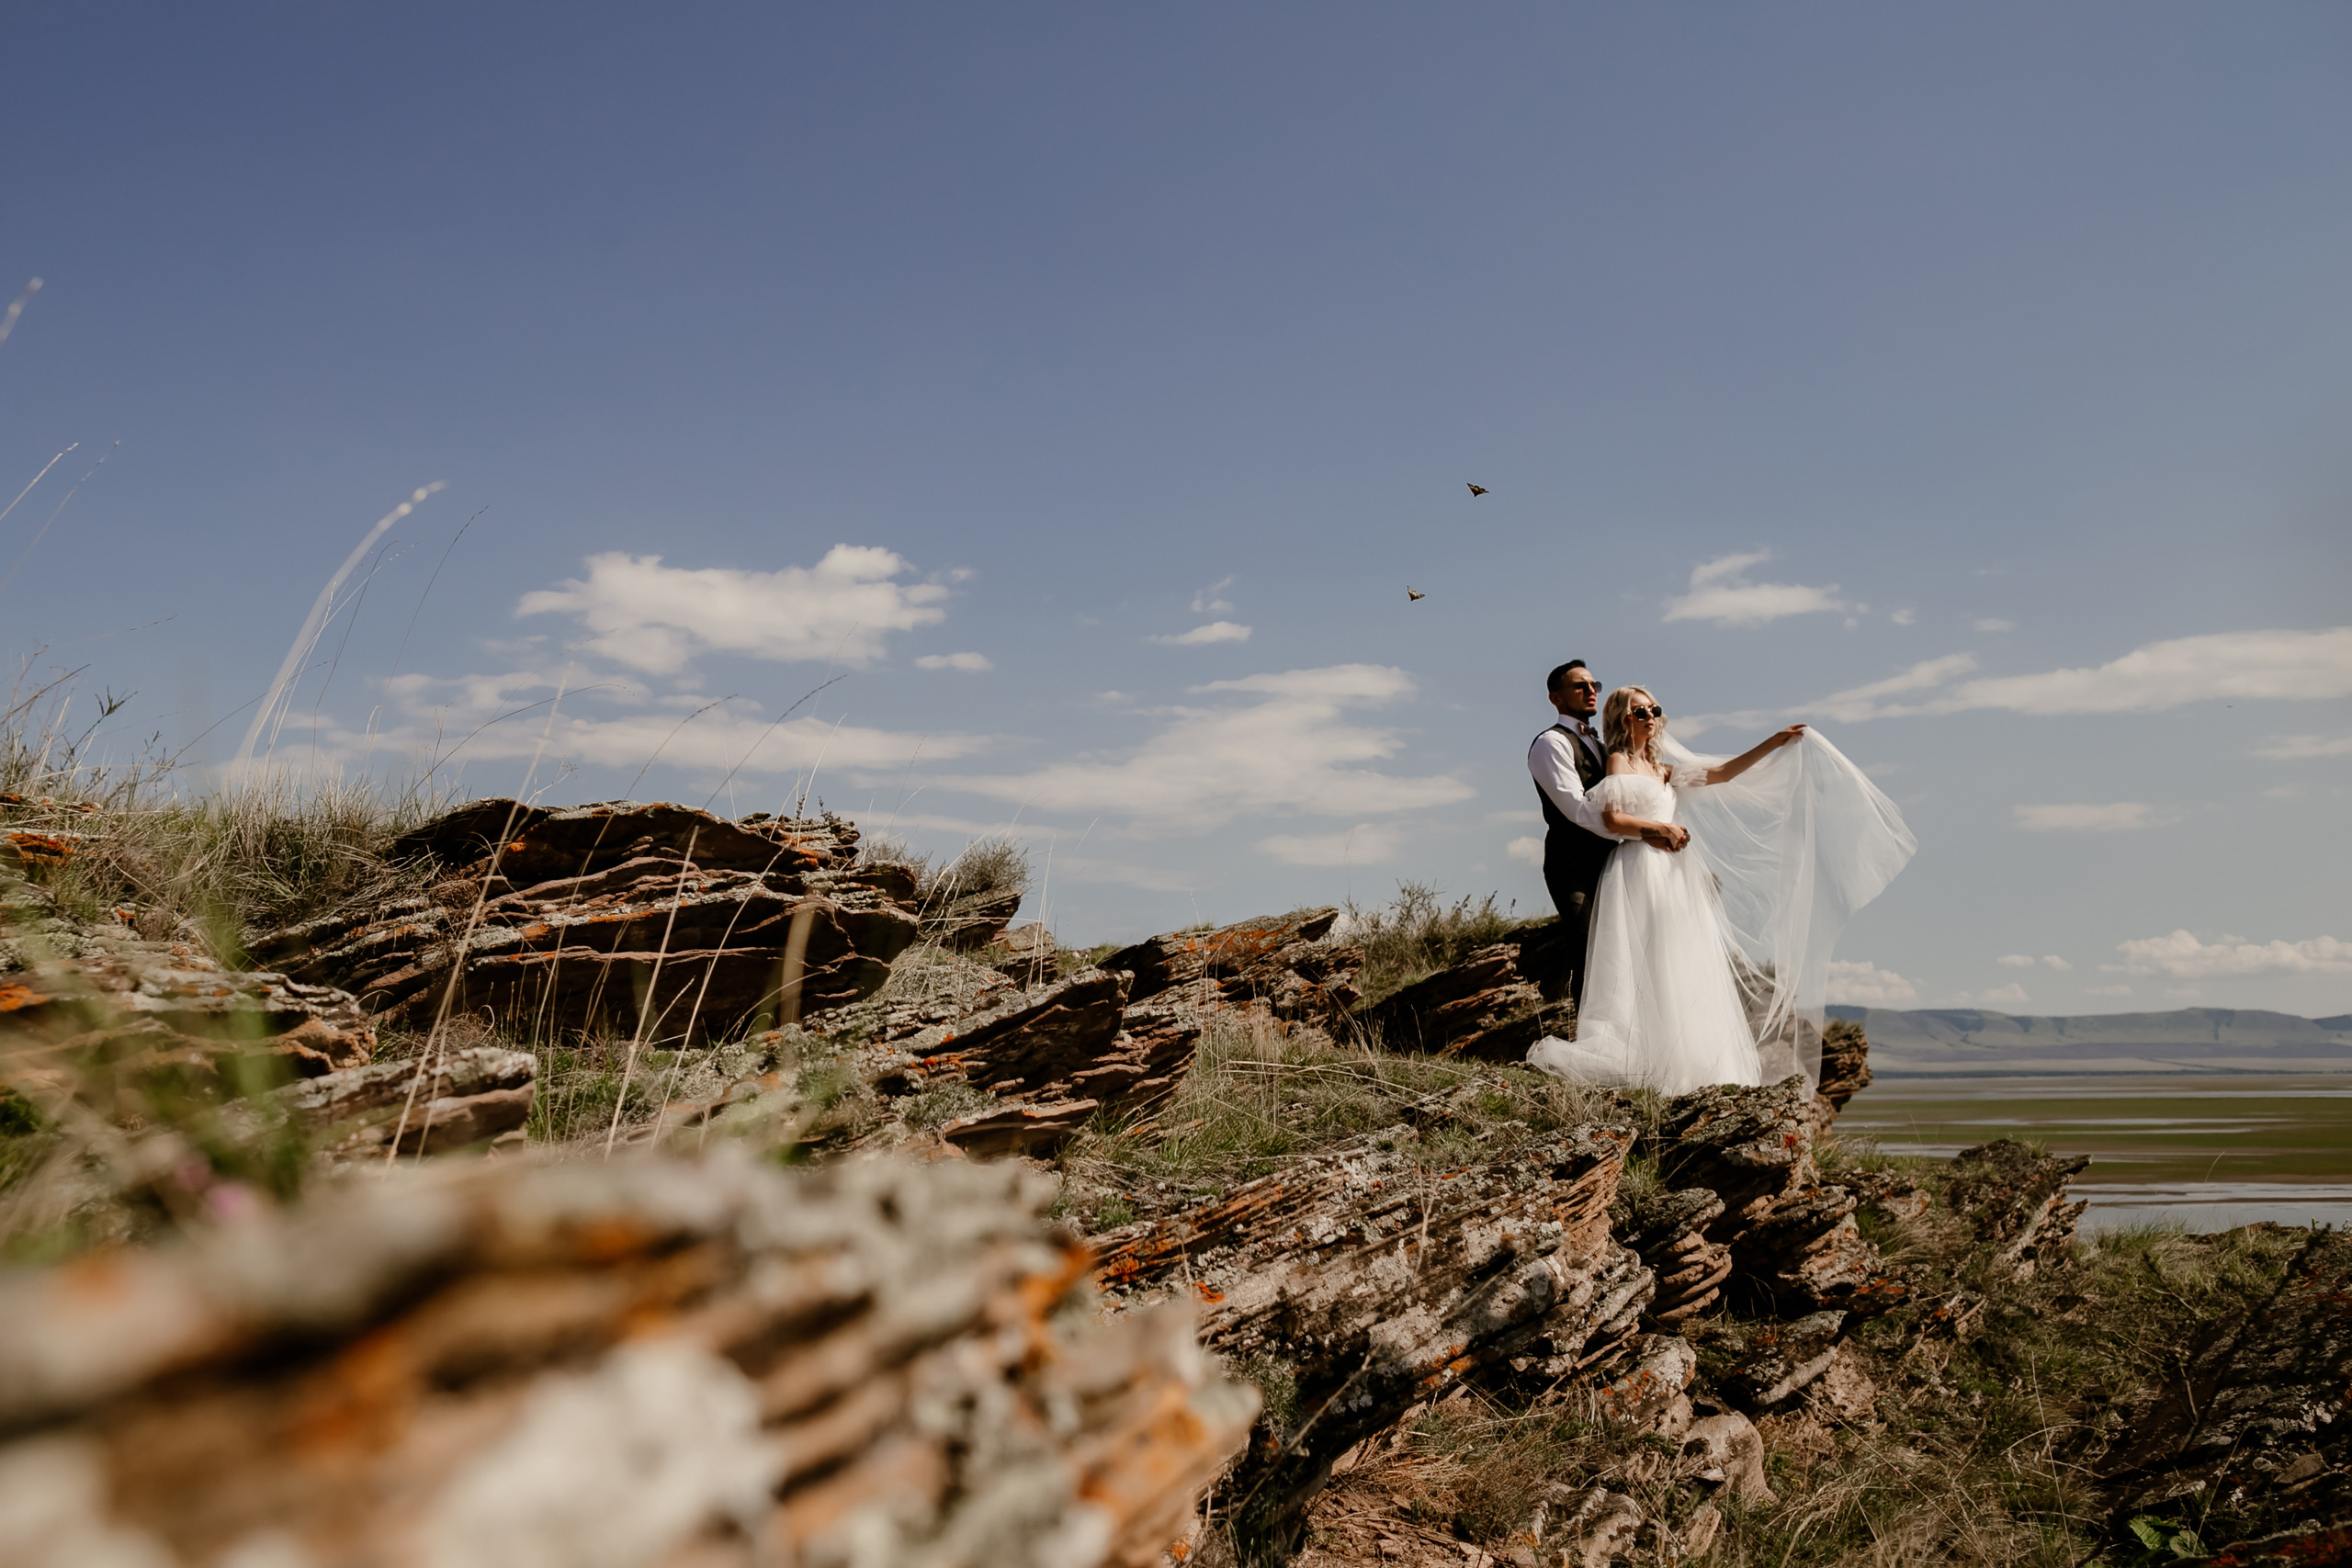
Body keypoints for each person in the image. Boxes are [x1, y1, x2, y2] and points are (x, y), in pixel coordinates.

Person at [1527, 684, 1916, 1096]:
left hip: (1675, 874)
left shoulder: (1661, 769)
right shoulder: (1619, 761)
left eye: (1655, 709)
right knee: (1641, 959)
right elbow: (1611, 817)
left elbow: (1722, 773)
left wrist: (1774, 742)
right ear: (1624, 718)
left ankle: (1686, 1065)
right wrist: (1657, 829)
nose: (1651, 717)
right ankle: (1641, 1058)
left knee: (1680, 960)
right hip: (1638, 868)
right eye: (1641, 711)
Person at [1528, 660, 1659, 1010]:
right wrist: (1643, 832)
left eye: (1594, 685)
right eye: (1580, 686)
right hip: (1571, 867)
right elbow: (1578, 809)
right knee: (1589, 950)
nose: (1591, 692)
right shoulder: (1550, 743)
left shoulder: (1605, 748)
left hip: (1613, 864)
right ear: (1555, 698)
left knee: (1624, 952)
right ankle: (1591, 1045)